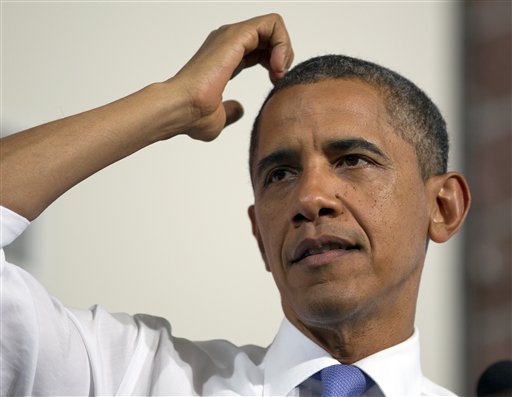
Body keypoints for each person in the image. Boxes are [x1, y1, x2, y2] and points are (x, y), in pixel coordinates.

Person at [0, 13, 470, 396]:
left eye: (352, 160)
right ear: (260, 237)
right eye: (280, 174)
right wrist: (172, 103)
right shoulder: (134, 375)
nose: (309, 199)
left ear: (443, 207)